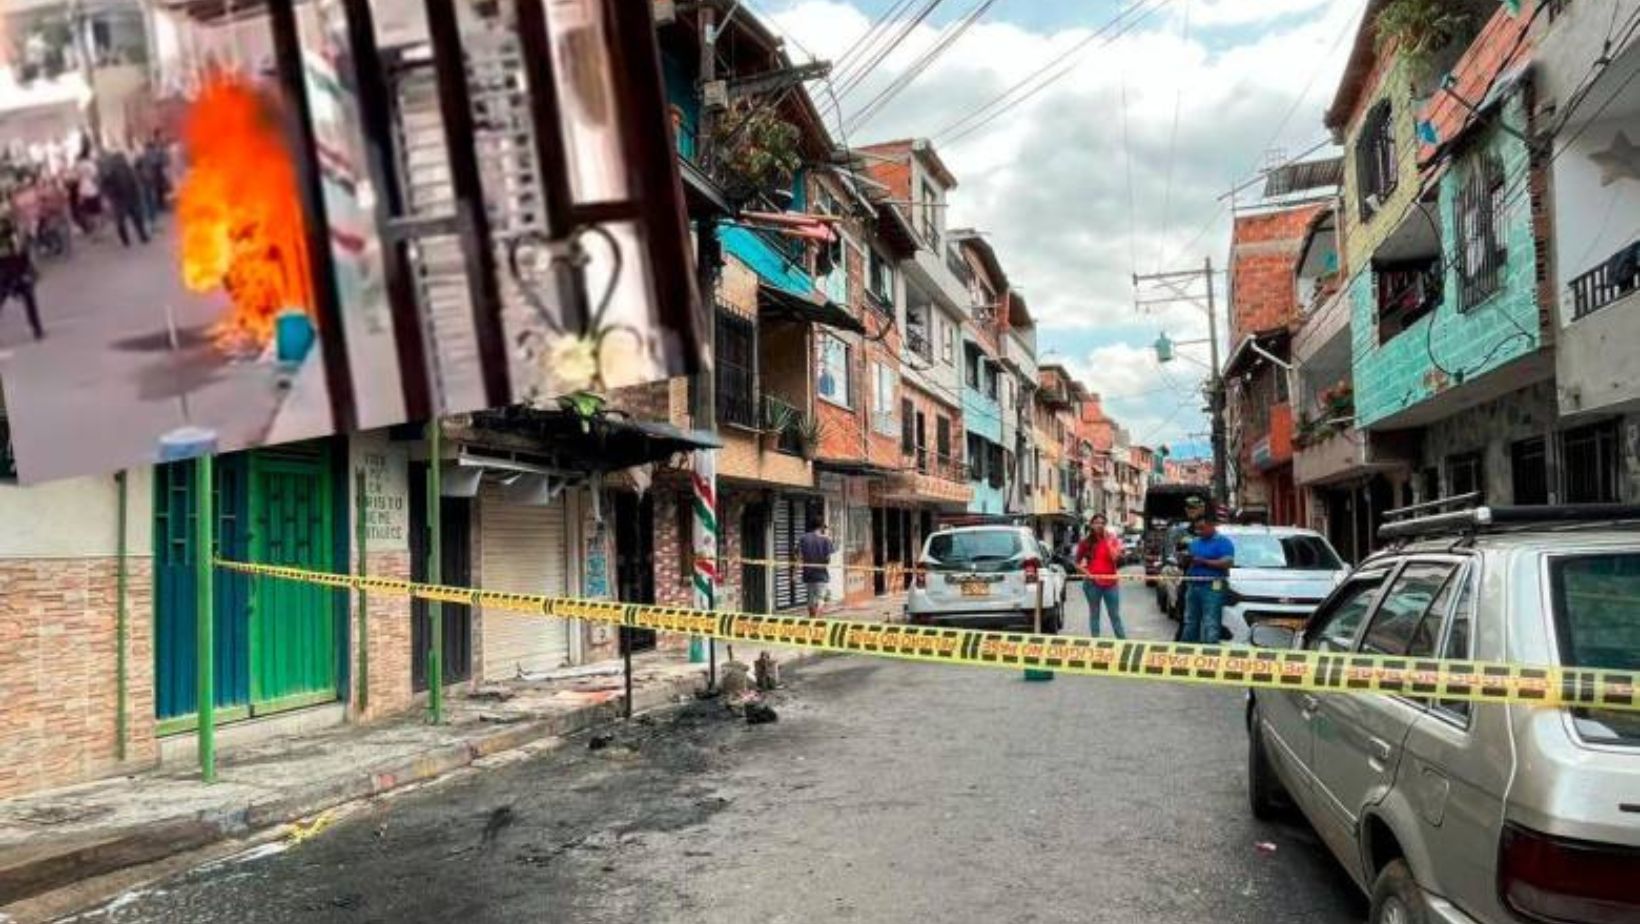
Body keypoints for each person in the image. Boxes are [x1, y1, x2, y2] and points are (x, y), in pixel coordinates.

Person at [1180, 513, 1235, 645]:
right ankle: (1188, 648)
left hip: (1212, 586)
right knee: (1191, 619)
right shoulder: (1195, 542)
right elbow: (1191, 560)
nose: (1199, 531)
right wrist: (1184, 560)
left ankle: (1211, 650)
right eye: (1197, 528)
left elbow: (1228, 562)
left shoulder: (1223, 542)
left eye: (1202, 528)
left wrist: (1204, 561)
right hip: (1194, 585)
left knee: (1211, 620)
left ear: (1211, 526)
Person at [1075, 513, 1126, 638]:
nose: (1100, 525)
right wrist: (1088, 574)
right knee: (1094, 614)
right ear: (1091, 525)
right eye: (1097, 522)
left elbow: (1118, 558)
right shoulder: (1085, 543)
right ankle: (1096, 644)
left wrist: (1119, 552)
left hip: (1111, 583)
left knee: (1114, 615)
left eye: (1103, 523)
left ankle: (1123, 643)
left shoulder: (1111, 540)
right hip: (1093, 584)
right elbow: (1076, 564)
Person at [0, 206, 44, 341]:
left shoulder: (13, 226)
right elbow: (23, 244)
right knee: (27, 296)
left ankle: (37, 328)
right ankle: (37, 329)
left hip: (13, 264)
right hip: (10, 264)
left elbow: (23, 244)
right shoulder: (12, 226)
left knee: (27, 295)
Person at [98, 149, 148, 247]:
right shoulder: (112, 171)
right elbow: (105, 185)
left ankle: (137, 238)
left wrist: (137, 194)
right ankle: (131, 239)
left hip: (126, 198)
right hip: (121, 198)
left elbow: (134, 182)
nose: (121, 161)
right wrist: (110, 195)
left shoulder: (126, 168)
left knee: (133, 218)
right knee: (128, 219)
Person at [797, 519, 835, 618]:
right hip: (821, 574)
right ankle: (817, 619)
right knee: (821, 598)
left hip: (808, 573)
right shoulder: (826, 540)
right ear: (821, 527)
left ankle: (812, 619)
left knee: (810, 599)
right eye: (823, 528)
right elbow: (828, 559)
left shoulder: (803, 538)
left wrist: (794, 573)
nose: (824, 530)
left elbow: (799, 557)